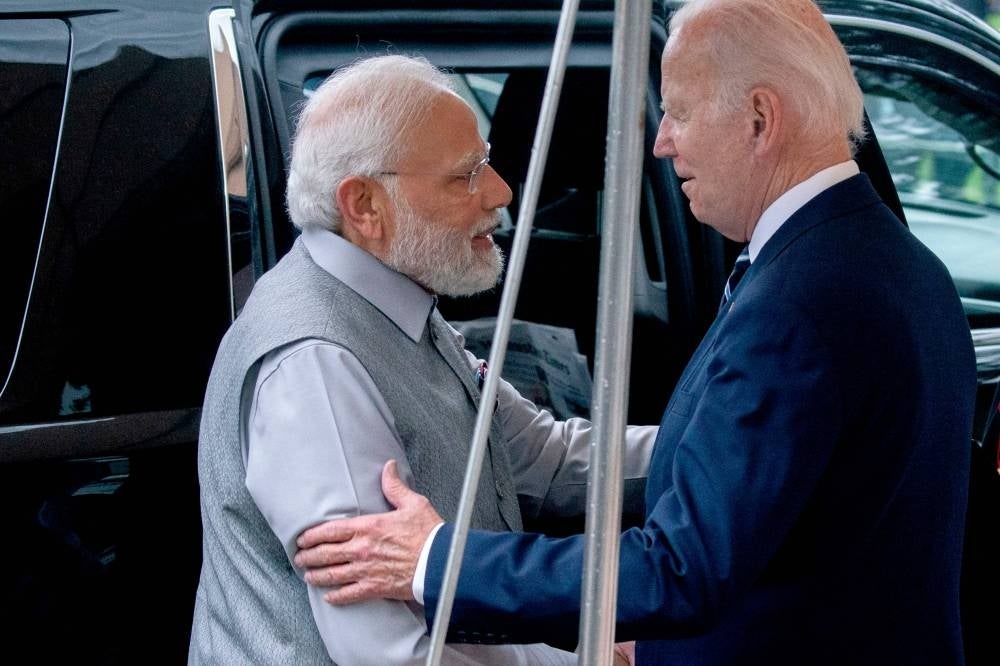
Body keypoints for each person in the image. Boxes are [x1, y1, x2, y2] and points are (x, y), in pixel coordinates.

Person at [293, 2, 978, 664]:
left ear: (760, 119)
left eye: (678, 110)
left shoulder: (802, 307)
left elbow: (682, 570)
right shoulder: (898, 262)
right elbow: (789, 532)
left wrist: (435, 558)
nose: (660, 139)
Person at [187, 54, 656, 665]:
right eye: (465, 175)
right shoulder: (316, 366)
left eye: (484, 162)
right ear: (364, 205)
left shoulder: (388, 299)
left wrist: (721, 450)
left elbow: (540, 454)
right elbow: (397, 653)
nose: (500, 192)